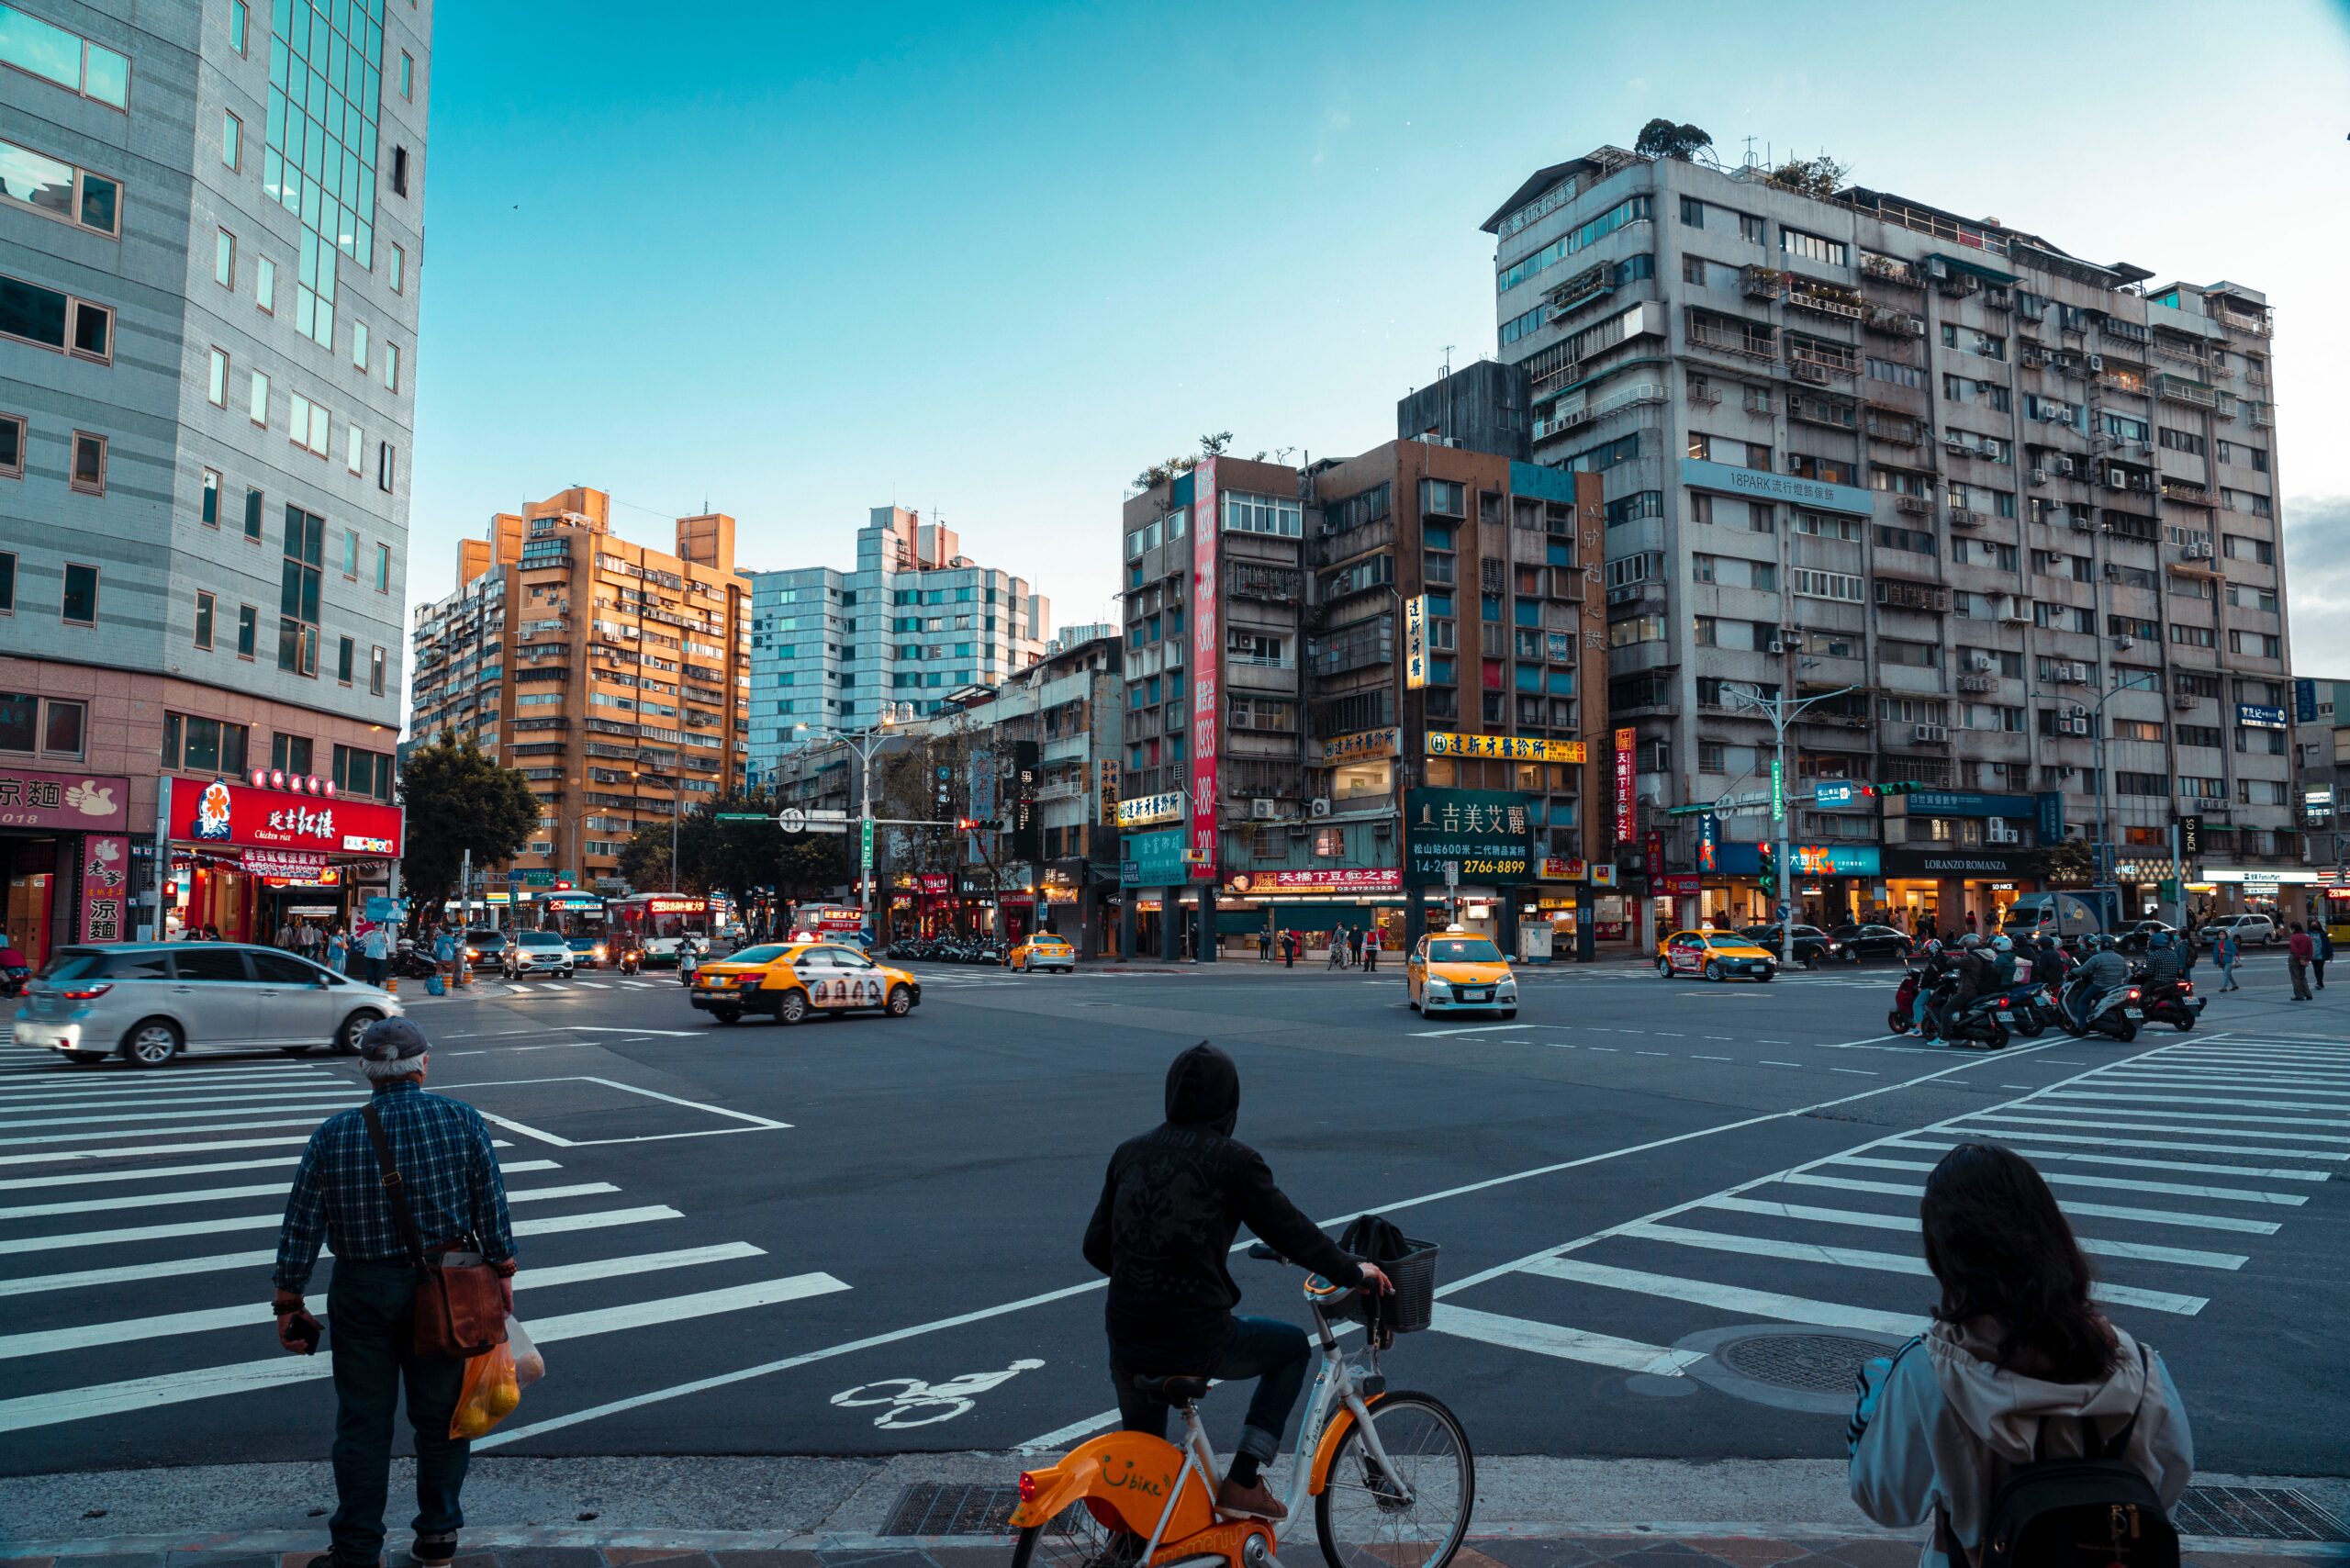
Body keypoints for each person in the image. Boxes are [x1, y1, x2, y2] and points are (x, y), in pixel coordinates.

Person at [1083, 1043, 1393, 1521]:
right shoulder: (1233, 1162)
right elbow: (1294, 1233)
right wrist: (1355, 1271)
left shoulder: (1130, 1152)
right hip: (1194, 1336)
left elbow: (1095, 1248)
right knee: (1290, 1349)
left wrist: (1148, 1277)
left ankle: (1127, 1546)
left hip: (1126, 1334)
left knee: (1140, 1470)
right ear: (1229, 1103)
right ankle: (1244, 1479)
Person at [1847, 1141, 2192, 1568]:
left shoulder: (1928, 1371)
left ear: (1945, 1254)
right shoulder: (2138, 1367)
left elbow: (1888, 1502)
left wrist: (1868, 1408)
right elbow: (2169, 1487)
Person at [273, 1019, 519, 1568]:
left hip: (361, 1287)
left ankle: (357, 1549)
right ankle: (438, 1537)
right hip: (447, 1288)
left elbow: (302, 1224)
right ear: (423, 1065)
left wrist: (289, 1300)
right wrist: (502, 1273)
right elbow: (490, 1204)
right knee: (442, 1417)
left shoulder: (334, 1134)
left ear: (365, 1070)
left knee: (362, 1421)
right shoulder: (460, 1120)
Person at [2064, 935, 2131, 1030]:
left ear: (2102, 946)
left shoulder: (2096, 958)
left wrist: (2073, 970)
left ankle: (2082, 1026)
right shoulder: (2120, 958)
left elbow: (2082, 971)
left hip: (2099, 985)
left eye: (2099, 944)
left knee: (2082, 1002)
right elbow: (2125, 974)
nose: (2097, 946)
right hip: (2116, 986)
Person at [2287, 922, 2314, 1001]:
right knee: (2302, 976)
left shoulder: (2293, 937)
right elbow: (2310, 949)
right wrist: (2307, 960)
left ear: (2293, 929)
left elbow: (2294, 949)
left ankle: (2299, 995)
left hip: (2294, 958)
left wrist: (2299, 958)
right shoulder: (2306, 937)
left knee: (2295, 977)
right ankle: (2308, 993)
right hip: (2305, 956)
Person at [360, 921, 391, 988]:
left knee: (378, 975)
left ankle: (376, 988)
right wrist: (374, 931)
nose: (379, 926)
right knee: (369, 974)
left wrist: (384, 935)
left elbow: (387, 945)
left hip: (380, 957)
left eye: (381, 925)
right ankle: (370, 988)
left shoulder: (386, 934)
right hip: (369, 956)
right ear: (375, 925)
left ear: (383, 926)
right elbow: (364, 937)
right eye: (378, 925)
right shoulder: (371, 932)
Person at [2216, 927, 2241, 992]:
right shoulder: (2218, 943)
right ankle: (2235, 985)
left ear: (2225, 935)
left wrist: (2225, 952)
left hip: (2229, 961)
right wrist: (2216, 962)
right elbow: (2217, 952)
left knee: (2226, 974)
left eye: (2223, 934)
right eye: (2220, 934)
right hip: (2222, 961)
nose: (2221, 935)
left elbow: (2235, 951)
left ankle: (2224, 987)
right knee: (2228, 974)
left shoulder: (2229, 942)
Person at [2315, 923, 2333, 991]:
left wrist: (2330, 955)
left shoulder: (2323, 935)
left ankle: (2319, 983)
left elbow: (2328, 945)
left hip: (2321, 954)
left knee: (2320, 968)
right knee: (2316, 969)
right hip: (2313, 954)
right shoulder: (2309, 934)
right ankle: (2320, 982)